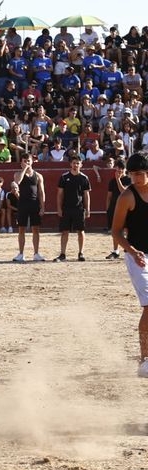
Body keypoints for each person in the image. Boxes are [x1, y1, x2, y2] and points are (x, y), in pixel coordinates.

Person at [111, 151, 148, 378]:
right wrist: (132, 251)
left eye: (140, 174)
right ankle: (145, 359)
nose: (135, 179)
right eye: (132, 174)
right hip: (138, 256)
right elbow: (116, 232)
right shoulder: (127, 197)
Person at [54, 155, 91, 262]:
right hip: (66, 208)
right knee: (64, 231)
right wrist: (59, 208)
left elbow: (86, 195)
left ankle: (81, 253)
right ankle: (62, 253)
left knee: (81, 231)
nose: (75, 165)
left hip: (79, 208)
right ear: (70, 164)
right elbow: (60, 194)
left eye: (77, 163)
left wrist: (88, 209)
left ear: (81, 165)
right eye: (74, 163)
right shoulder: (64, 177)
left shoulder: (84, 178)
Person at [12, 155, 47, 262]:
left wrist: (42, 207)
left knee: (35, 229)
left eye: (29, 161)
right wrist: (24, 169)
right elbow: (18, 182)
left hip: (34, 204)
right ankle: (21, 254)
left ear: (32, 162)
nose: (27, 162)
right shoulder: (18, 174)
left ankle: (36, 253)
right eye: (25, 161)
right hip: (22, 204)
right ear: (21, 163)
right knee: (21, 229)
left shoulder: (38, 176)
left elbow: (41, 192)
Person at [104, 159, 131, 259]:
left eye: (121, 168)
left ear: (125, 169)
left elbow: (124, 192)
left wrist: (118, 179)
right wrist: (108, 209)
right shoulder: (112, 181)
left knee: (128, 229)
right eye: (118, 168)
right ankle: (116, 251)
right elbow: (109, 197)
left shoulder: (129, 180)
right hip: (114, 208)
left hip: (127, 208)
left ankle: (128, 249)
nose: (119, 170)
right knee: (115, 231)